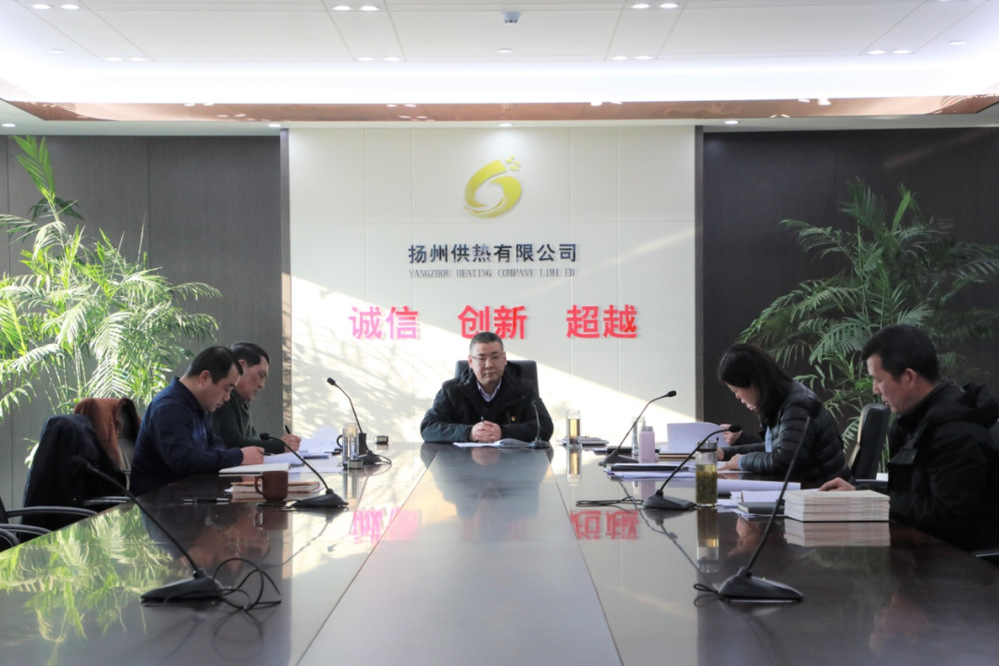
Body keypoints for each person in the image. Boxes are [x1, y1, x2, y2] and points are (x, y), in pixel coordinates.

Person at [820, 324, 999, 551]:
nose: (875, 389)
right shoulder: (916, 421)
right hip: (917, 554)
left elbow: (948, 517)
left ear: (908, 377)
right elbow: (910, 496)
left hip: (953, 564)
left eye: (878, 380)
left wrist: (869, 501)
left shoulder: (957, 433)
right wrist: (858, 492)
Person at [130, 346, 265, 496]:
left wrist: (215, 456)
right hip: (159, 503)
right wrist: (239, 456)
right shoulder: (169, 407)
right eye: (227, 389)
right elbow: (184, 461)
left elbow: (215, 443)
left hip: (187, 497)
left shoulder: (195, 405)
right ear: (204, 377)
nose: (227, 398)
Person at [716, 343, 849, 484]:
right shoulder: (779, 400)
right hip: (804, 488)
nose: (737, 396)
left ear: (754, 382)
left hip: (822, 491)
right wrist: (725, 453)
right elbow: (774, 449)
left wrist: (742, 461)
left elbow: (785, 461)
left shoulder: (797, 404)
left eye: (736, 390)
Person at [420, 331, 554, 444]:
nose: (489, 365)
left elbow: (545, 426)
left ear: (504, 359)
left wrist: (503, 432)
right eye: (481, 358)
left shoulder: (523, 389)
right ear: (470, 362)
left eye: (495, 357)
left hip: (512, 463)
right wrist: (469, 433)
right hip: (463, 463)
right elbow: (428, 427)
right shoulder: (452, 390)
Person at [212, 342, 301, 455]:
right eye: (260, 375)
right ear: (241, 367)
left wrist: (278, 444)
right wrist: (279, 445)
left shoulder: (241, 401)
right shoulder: (223, 400)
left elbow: (251, 440)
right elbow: (232, 444)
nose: (262, 385)